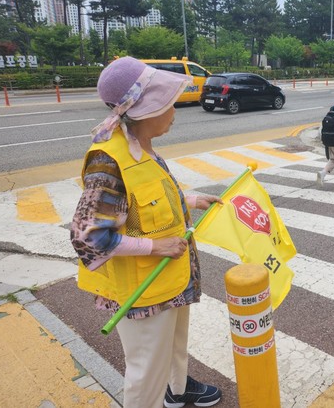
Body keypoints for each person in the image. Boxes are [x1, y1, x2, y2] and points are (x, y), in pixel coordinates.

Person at [70, 56, 223, 408]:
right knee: (145, 373)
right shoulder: (108, 160)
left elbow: (144, 198)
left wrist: (193, 199)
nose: (174, 110)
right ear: (144, 109)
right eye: (167, 103)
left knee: (173, 347)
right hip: (142, 292)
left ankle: (178, 389)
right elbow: (87, 237)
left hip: (167, 281)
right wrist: (154, 247)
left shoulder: (141, 148)